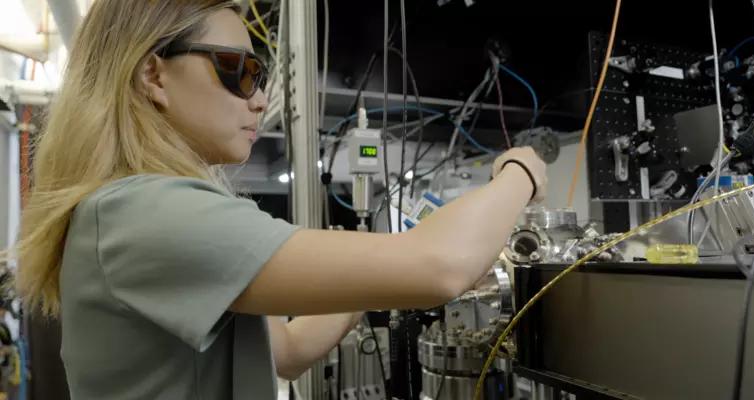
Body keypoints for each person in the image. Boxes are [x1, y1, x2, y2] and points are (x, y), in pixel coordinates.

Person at [4, 1, 547, 399]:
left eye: (261, 75)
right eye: (238, 71)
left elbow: (287, 349)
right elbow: (442, 265)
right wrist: (520, 169)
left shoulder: (132, 211)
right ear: (153, 74)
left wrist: (374, 272)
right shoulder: (143, 211)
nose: (260, 99)